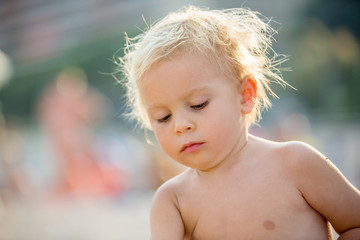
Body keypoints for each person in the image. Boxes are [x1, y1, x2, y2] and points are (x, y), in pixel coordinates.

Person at [117, 6, 360, 240]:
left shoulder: (296, 163)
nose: (180, 125)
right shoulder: (173, 201)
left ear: (245, 95)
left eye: (198, 104)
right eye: (163, 117)